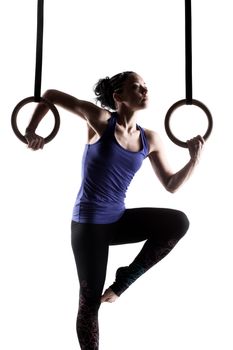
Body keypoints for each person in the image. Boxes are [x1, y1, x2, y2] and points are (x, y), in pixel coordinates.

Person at [25, 71, 204, 350]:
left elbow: (171, 184)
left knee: (177, 222)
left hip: (117, 220)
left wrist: (194, 159)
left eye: (146, 86)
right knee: (89, 302)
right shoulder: (99, 120)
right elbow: (50, 96)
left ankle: (123, 283)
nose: (144, 90)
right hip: (88, 225)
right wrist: (30, 131)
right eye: (136, 87)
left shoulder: (150, 139)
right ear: (118, 96)